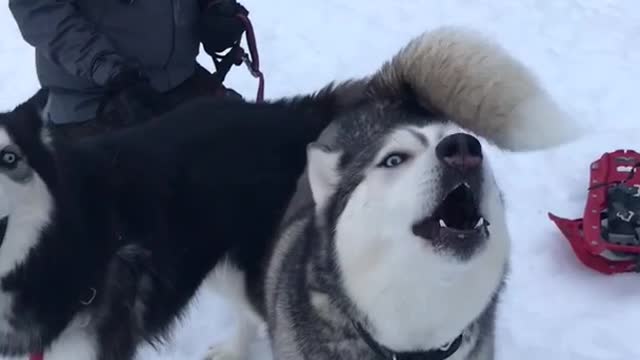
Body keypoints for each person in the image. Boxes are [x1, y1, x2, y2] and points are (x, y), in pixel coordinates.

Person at [9, 0, 251, 138]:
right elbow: (38, 8)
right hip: (95, 103)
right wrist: (110, 70)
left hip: (180, 80)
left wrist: (215, 7)